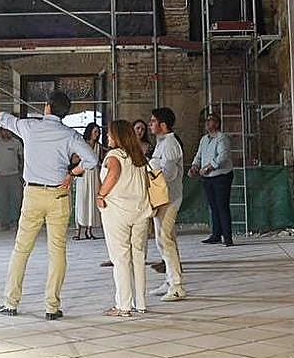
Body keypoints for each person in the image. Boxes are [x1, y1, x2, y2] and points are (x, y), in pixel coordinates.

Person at [0, 91, 97, 320]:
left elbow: (4, 119)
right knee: (57, 252)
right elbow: (91, 161)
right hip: (59, 196)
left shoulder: (29, 127)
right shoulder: (70, 135)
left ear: (47, 107)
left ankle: (10, 303)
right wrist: (72, 173)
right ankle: (51, 308)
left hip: (32, 195)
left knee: (21, 250)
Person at [96, 120, 153, 317]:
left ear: (117, 136)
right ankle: (141, 303)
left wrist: (100, 195)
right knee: (138, 256)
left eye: (110, 134)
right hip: (140, 210)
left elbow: (113, 173)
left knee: (120, 258)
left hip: (118, 212)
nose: (108, 137)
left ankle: (123, 305)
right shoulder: (138, 155)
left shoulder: (114, 155)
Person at [148, 107, 186, 301]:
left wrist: (151, 170)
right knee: (163, 238)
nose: (150, 124)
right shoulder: (161, 143)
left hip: (170, 199)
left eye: (153, 121)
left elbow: (169, 174)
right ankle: (170, 279)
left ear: (163, 125)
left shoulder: (170, 144)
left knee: (165, 238)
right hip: (160, 198)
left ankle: (177, 286)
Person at [190, 113, 235, 246]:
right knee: (213, 207)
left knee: (222, 206)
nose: (207, 123)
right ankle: (216, 234)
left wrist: (209, 167)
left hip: (221, 176)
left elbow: (223, 156)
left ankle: (227, 237)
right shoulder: (204, 139)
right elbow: (199, 155)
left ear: (217, 123)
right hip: (208, 178)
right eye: (207, 121)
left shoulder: (222, 138)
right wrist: (194, 166)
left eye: (211, 121)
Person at [0, 127, 24, 231]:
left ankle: (19, 222)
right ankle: (5, 223)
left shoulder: (16, 143)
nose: (6, 133)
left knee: (18, 200)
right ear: (0, 132)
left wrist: (22, 173)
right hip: (1, 176)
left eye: (8, 131)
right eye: (4, 131)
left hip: (14, 175)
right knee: (4, 201)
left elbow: (21, 159)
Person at [73, 122, 102, 240]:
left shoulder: (98, 146)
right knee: (81, 201)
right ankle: (78, 230)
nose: (97, 134)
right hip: (83, 174)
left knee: (91, 201)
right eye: (95, 131)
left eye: (98, 132)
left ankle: (89, 230)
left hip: (94, 175)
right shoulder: (82, 144)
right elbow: (75, 158)